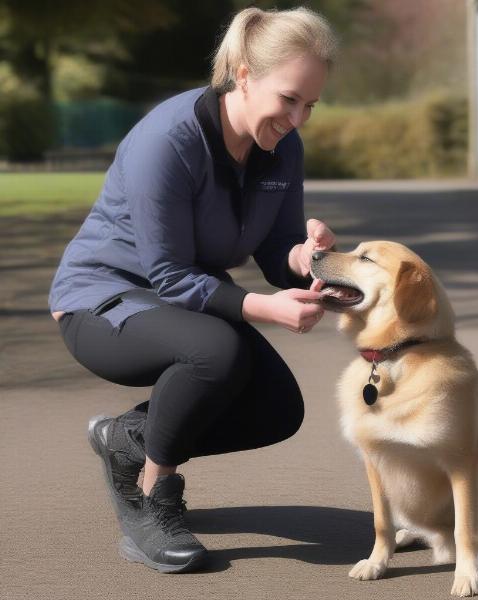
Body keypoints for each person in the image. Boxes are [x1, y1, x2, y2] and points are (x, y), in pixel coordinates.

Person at [49, 6, 338, 573]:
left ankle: (126, 437)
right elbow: (171, 276)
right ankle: (152, 493)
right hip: (101, 301)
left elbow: (278, 251)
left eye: (311, 105)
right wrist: (263, 309)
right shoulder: (170, 140)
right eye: (289, 99)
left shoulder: (283, 148)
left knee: (278, 409)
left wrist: (308, 258)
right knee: (217, 352)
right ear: (245, 75)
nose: (299, 118)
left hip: (185, 300)